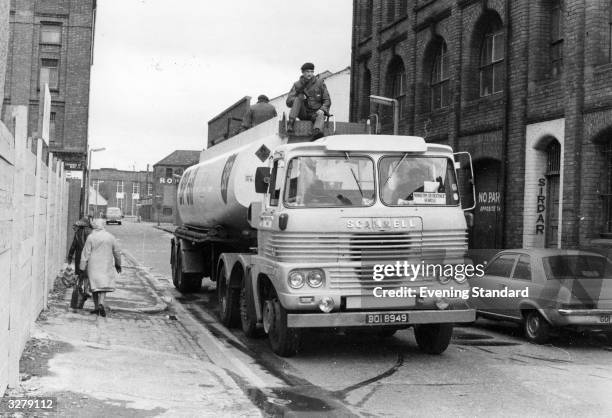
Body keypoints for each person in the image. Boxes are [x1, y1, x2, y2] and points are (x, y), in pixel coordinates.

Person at [80, 219, 122, 317]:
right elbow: (117, 252)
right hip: (105, 264)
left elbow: (86, 253)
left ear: (95, 226)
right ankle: (101, 304)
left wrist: (82, 267)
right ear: (103, 226)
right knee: (103, 286)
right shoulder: (110, 237)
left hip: (93, 265)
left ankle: (96, 307)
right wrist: (118, 264)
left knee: (94, 286)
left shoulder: (90, 237)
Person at [286, 62, 331, 140]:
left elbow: (327, 100)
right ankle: (291, 123)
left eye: (311, 71)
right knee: (298, 97)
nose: (310, 74)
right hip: (303, 113)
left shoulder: (319, 82)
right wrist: (299, 98)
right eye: (307, 72)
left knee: (321, 114)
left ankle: (317, 133)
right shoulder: (297, 85)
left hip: (315, 113)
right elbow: (288, 102)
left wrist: (322, 109)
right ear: (303, 72)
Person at [67, 217, 93, 309]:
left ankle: (78, 292)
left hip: (79, 257)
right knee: (87, 275)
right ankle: (86, 290)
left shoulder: (78, 233)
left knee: (79, 275)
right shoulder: (91, 233)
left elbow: (73, 245)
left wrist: (70, 256)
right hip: (88, 257)